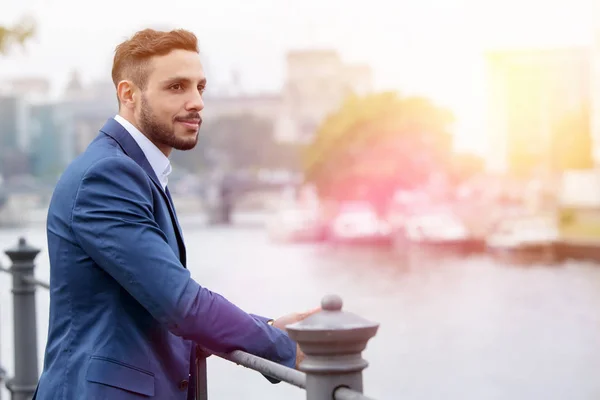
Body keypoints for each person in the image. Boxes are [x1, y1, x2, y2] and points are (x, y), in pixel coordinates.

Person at [33, 28, 318, 400]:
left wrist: (266, 327)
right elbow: (181, 305)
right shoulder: (106, 176)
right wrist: (285, 348)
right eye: (177, 87)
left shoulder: (135, 170)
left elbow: (155, 302)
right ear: (129, 94)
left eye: (200, 87)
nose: (197, 101)